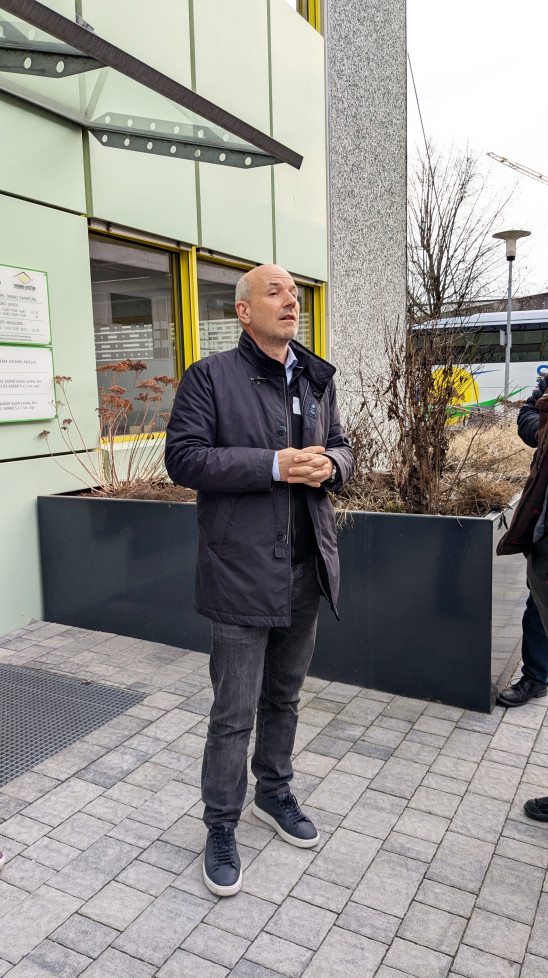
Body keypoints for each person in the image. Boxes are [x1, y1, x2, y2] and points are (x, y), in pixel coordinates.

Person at [165, 264, 354, 896]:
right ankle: (221, 824)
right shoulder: (209, 378)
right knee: (233, 712)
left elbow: (346, 447)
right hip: (241, 574)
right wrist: (274, 464)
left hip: (305, 569)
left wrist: (330, 461)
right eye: (275, 292)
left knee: (285, 697)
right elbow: (184, 459)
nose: (290, 301)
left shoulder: (316, 377)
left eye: (295, 294)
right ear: (243, 311)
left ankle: (274, 793)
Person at [497, 370, 548, 708]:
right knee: (539, 593)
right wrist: (543, 430)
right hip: (546, 503)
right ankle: (536, 675)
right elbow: (528, 412)